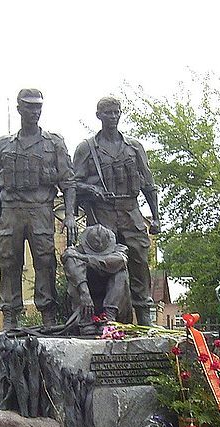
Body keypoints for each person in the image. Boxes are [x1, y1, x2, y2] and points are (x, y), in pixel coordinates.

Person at [0, 89, 77, 330]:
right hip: (11, 211)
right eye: (29, 107)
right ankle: (10, 316)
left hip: (40, 210)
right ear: (19, 109)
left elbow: (68, 183)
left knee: (45, 261)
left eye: (38, 107)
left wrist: (70, 216)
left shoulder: (54, 143)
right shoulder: (5, 144)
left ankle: (48, 316)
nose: (35, 112)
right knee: (8, 262)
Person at [73, 96, 160, 326]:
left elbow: (148, 183)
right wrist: (91, 189)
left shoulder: (134, 147)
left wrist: (156, 218)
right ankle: (102, 316)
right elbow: (72, 184)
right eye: (107, 113)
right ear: (98, 116)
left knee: (140, 260)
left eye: (116, 112)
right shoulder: (87, 149)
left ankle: (143, 316)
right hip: (102, 215)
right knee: (103, 265)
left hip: (131, 210)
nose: (112, 117)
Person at [62, 224, 131, 332]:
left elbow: (120, 261)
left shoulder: (119, 249)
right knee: (74, 267)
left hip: (111, 300)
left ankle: (109, 317)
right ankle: (86, 320)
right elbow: (69, 259)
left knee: (120, 273)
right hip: (85, 299)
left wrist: (85, 258)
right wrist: (84, 293)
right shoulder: (74, 251)